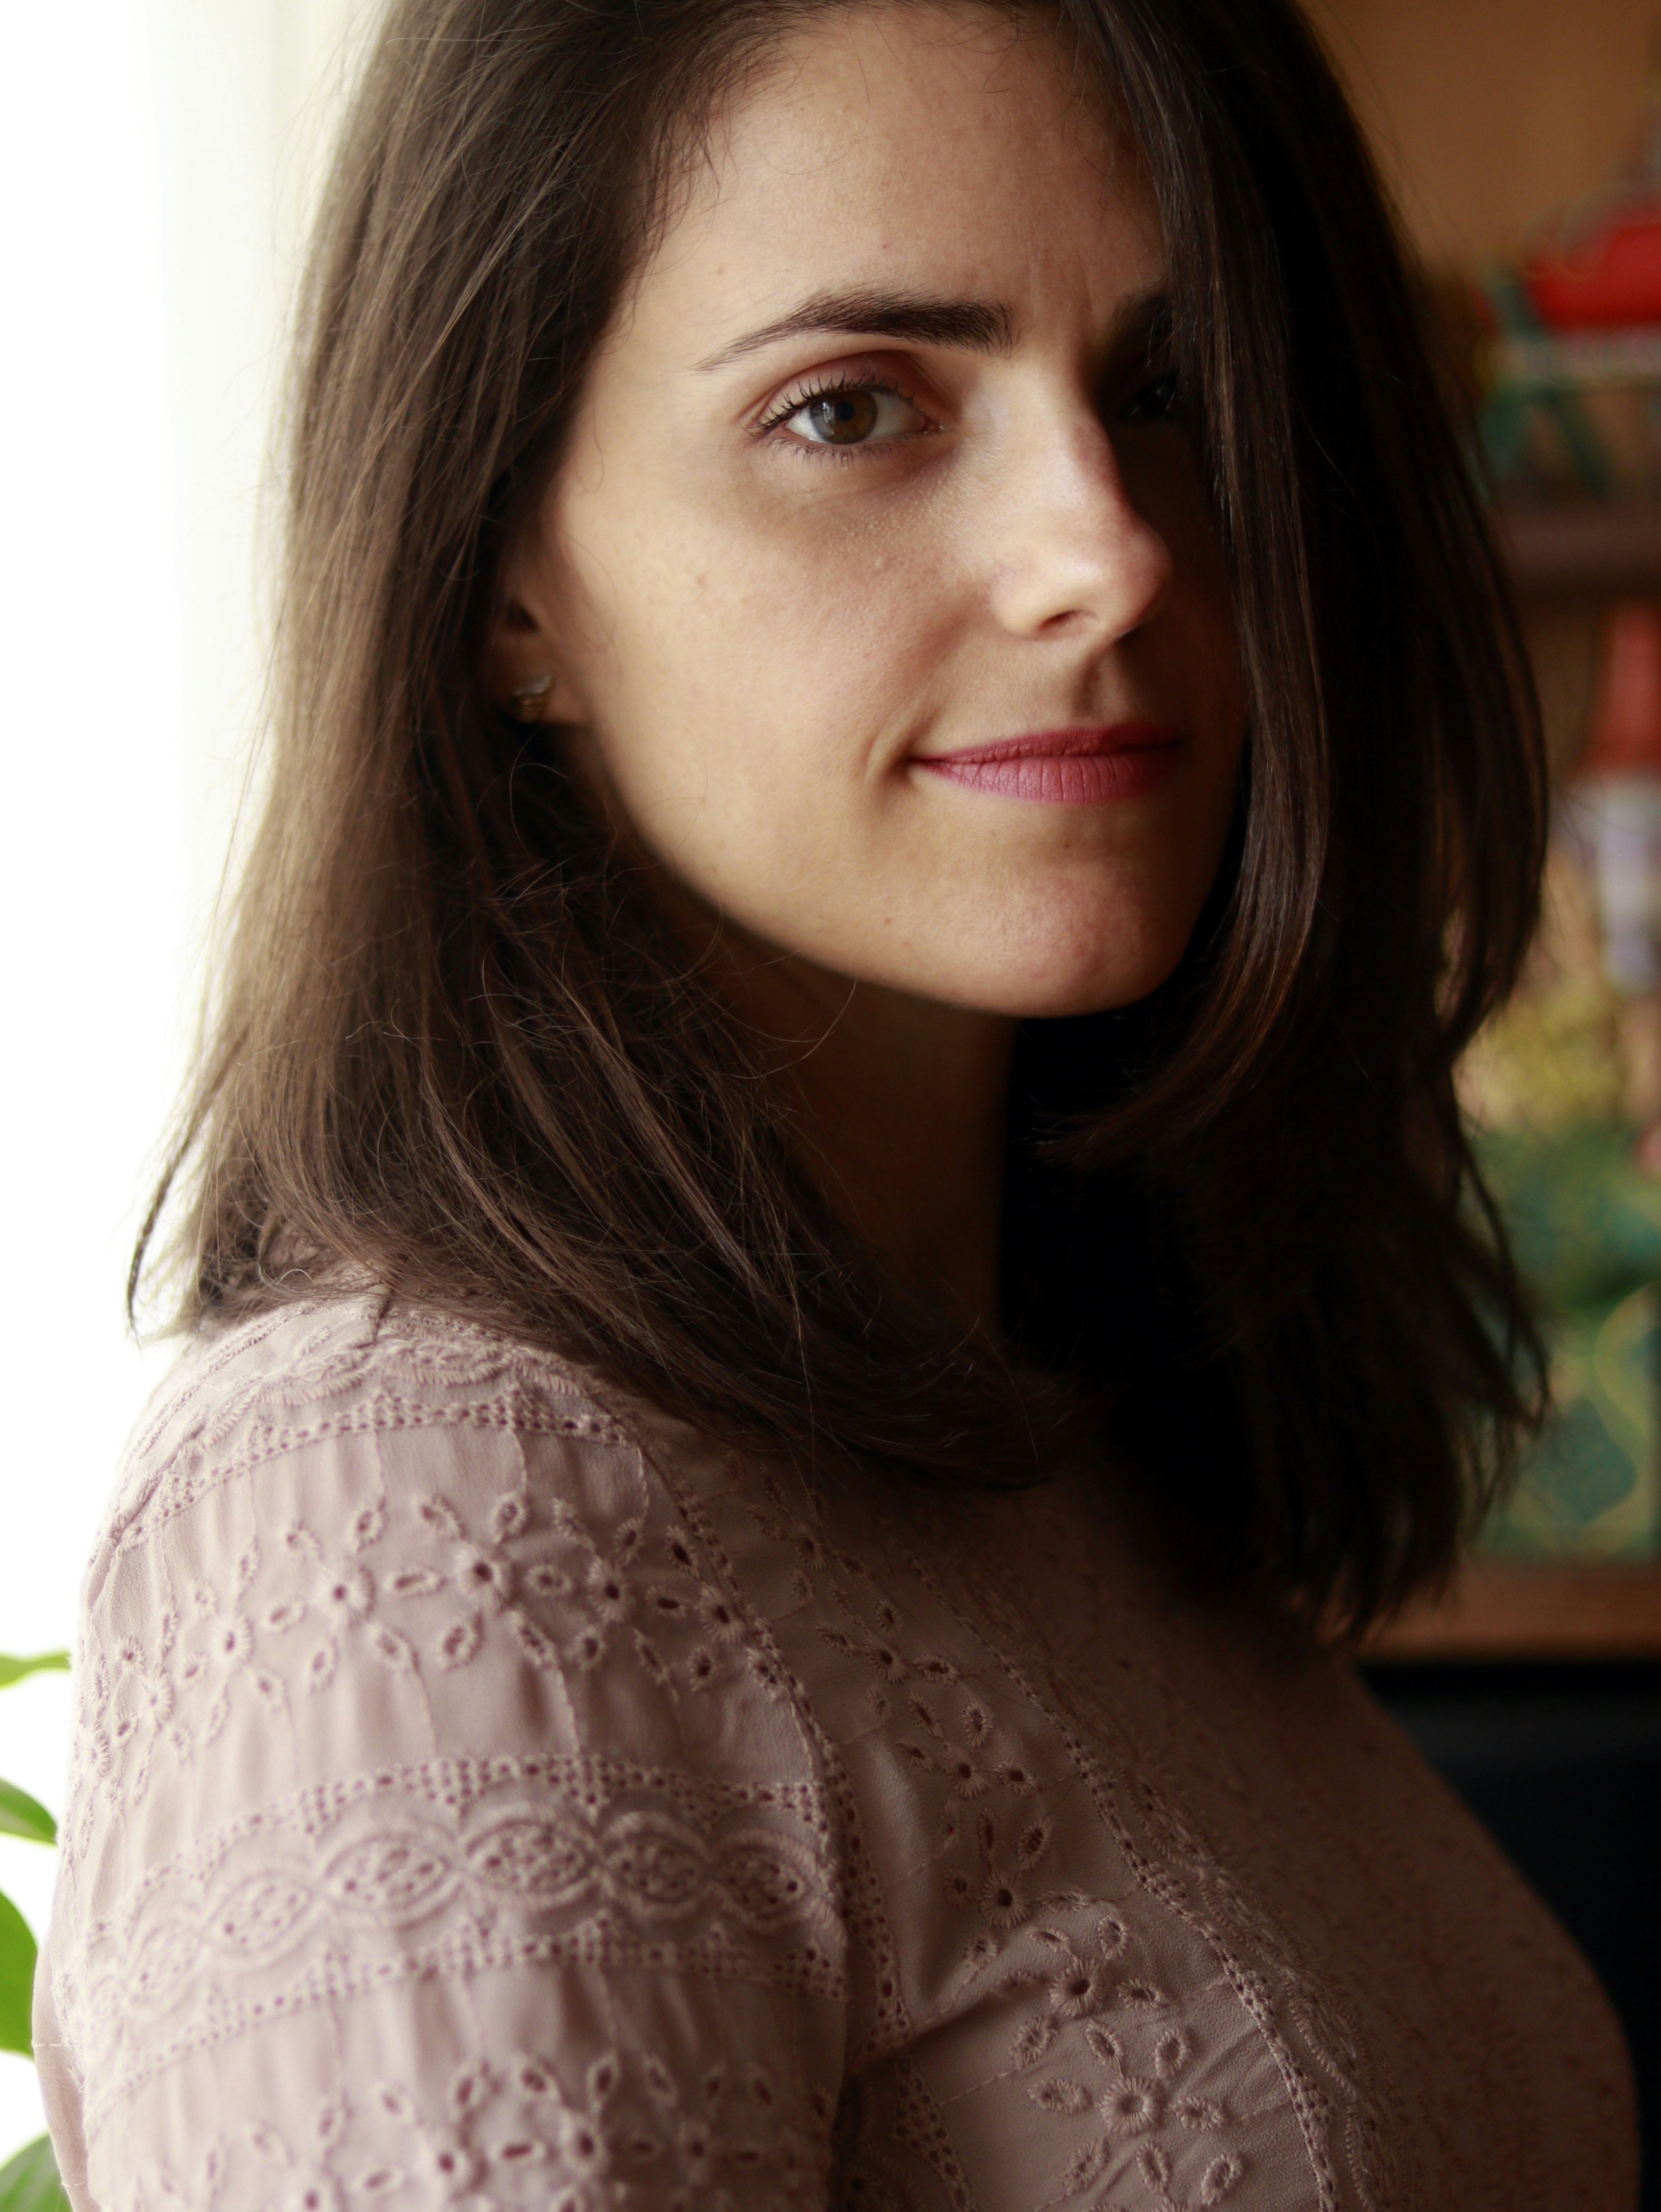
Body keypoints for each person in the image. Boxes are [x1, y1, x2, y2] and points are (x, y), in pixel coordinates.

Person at [34, 0, 1639, 2205]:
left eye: (1172, 392)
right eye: (855, 406)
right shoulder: (416, 1505)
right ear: (506, 562)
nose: (1113, 550)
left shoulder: (1079, 1449)